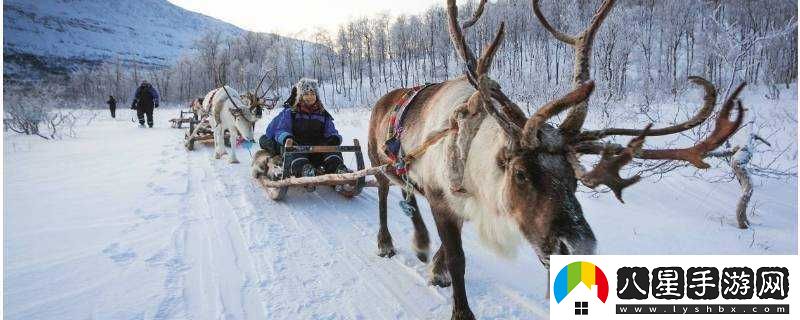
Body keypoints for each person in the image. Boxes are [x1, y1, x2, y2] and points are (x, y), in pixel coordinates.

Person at [260, 78, 348, 182]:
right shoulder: (291, 113)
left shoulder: (323, 114)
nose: (310, 97)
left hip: (318, 150)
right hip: (298, 147)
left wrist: (334, 138)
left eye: (312, 93)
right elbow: (281, 130)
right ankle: (305, 171)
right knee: (295, 153)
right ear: (300, 96)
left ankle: (338, 169)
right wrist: (287, 137)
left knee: (333, 151)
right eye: (306, 94)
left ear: (317, 96)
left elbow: (331, 131)